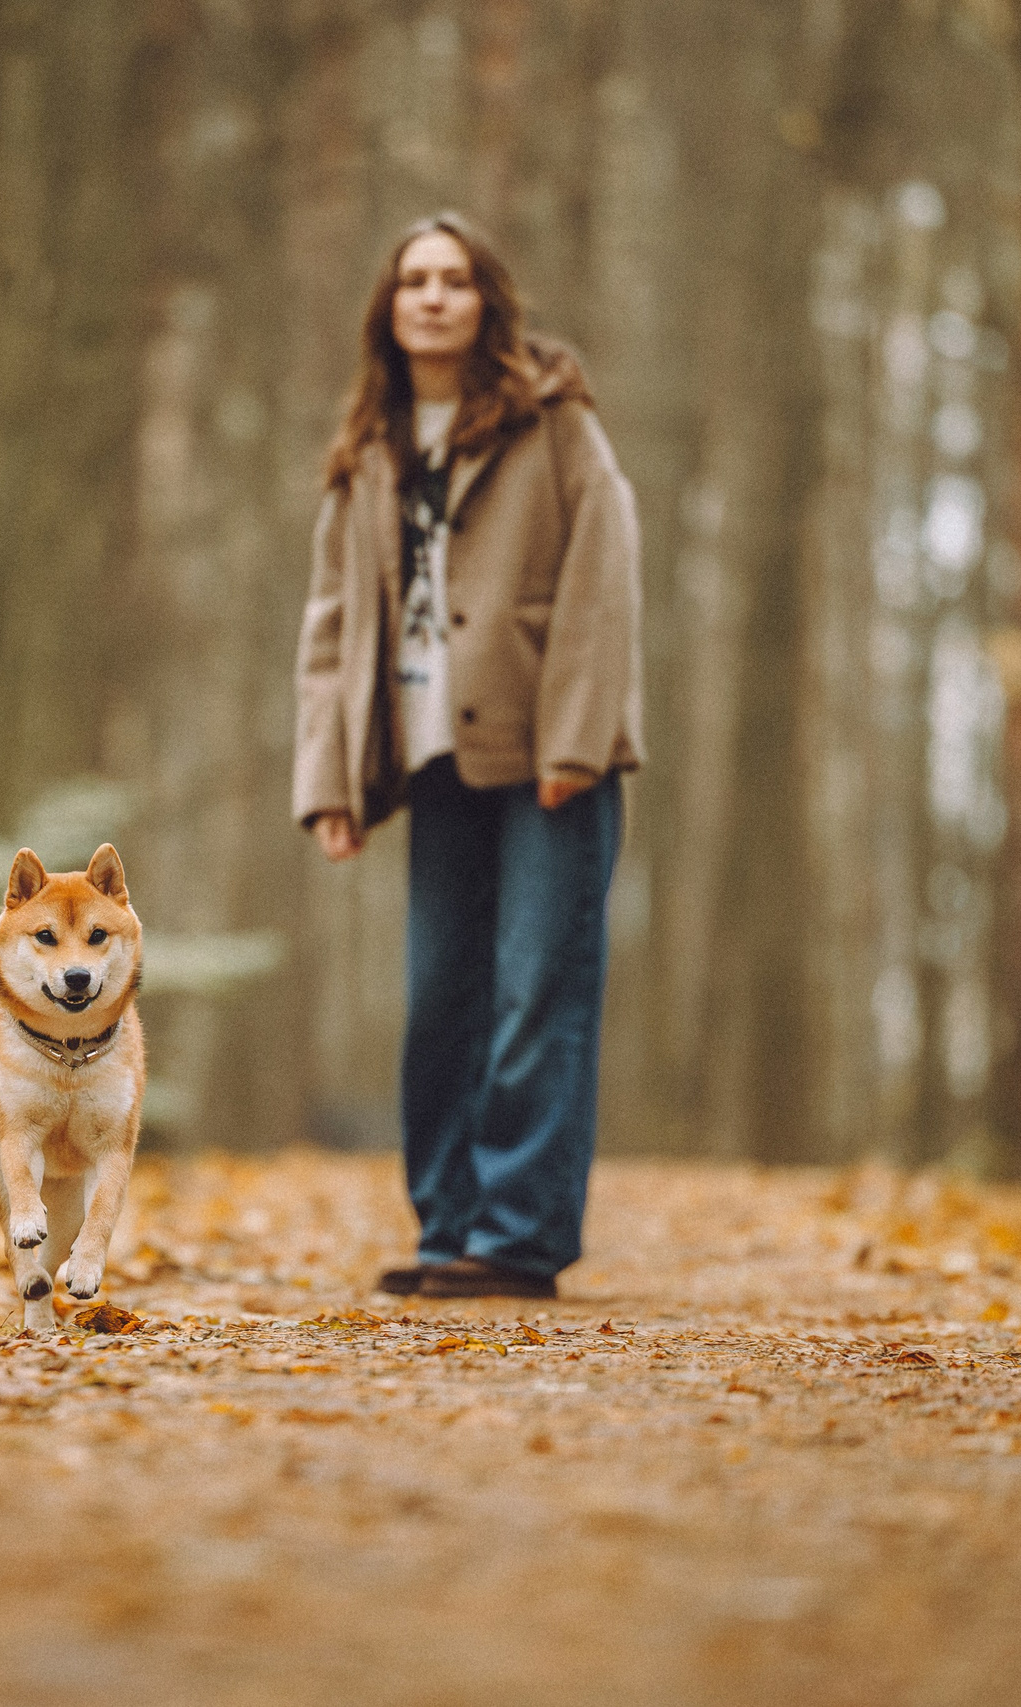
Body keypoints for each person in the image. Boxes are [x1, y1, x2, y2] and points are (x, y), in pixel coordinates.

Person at [292, 213, 643, 1301]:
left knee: (537, 991)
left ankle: (517, 1236)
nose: (433, 298)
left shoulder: (552, 421)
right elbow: (333, 623)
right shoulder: (368, 450)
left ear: (487, 300)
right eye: (413, 282)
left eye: (453, 280)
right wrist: (330, 783)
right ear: (388, 311)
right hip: (432, 756)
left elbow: (604, 573)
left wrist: (577, 738)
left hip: (549, 755)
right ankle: (449, 1226)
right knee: (441, 995)